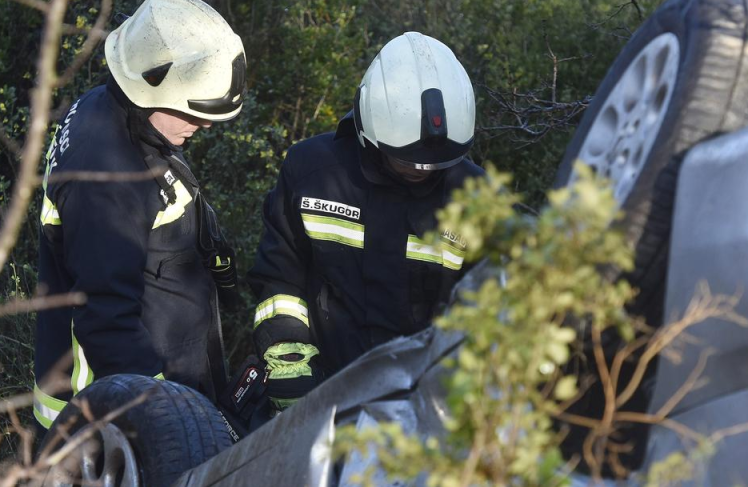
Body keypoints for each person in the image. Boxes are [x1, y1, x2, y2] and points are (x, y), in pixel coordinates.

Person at [32, 0, 245, 430]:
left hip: (159, 384)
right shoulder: (107, 178)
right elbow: (107, 320)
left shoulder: (117, 110)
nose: (201, 125)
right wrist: (168, 417)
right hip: (112, 418)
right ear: (150, 85)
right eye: (191, 112)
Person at [247, 32, 484, 411]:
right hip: (323, 389)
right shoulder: (311, 173)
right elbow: (280, 279)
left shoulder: (476, 198)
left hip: (425, 405)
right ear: (369, 131)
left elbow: (488, 309)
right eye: (405, 161)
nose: (420, 172)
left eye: (434, 164)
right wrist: (290, 362)